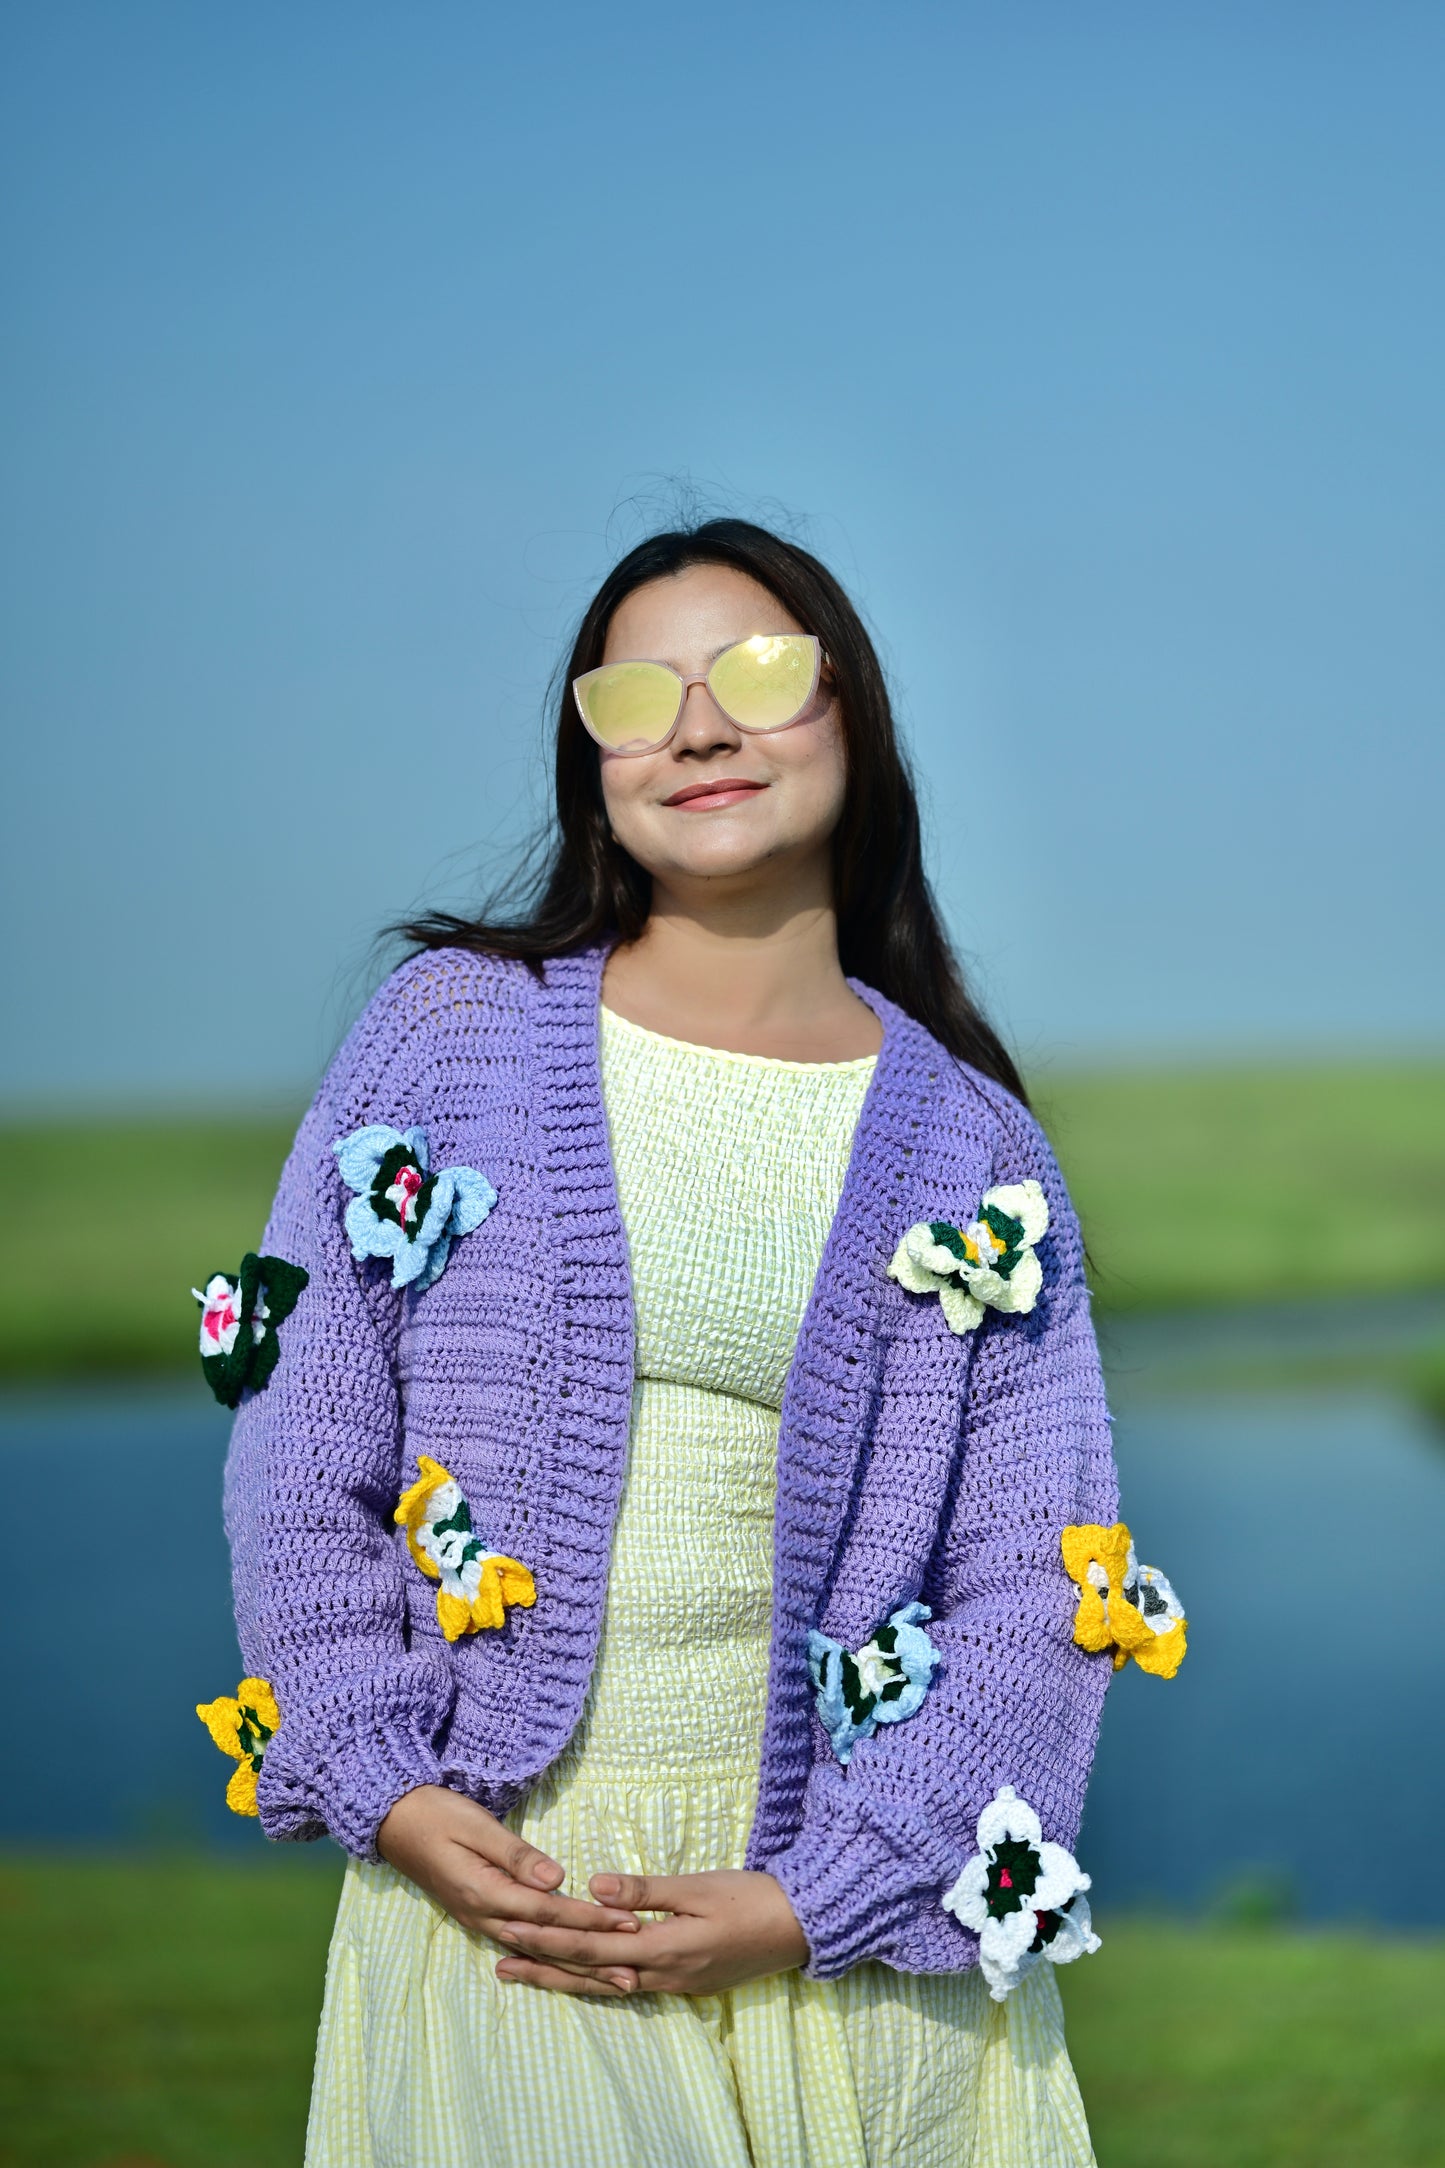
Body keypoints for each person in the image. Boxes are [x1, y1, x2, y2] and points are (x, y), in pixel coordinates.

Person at [223, 519, 1119, 2167]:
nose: (698, 727)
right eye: (636, 695)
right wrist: (384, 1781)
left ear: (852, 714)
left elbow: (1034, 1589)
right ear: (590, 760)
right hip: (511, 1890)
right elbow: (301, 1444)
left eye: (760, 675)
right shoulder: (448, 1036)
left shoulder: (976, 1151)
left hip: (848, 1933)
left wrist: (813, 1898)